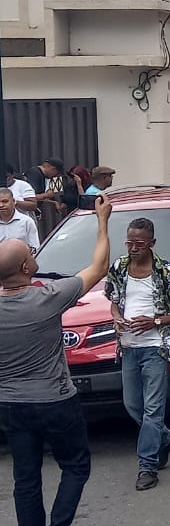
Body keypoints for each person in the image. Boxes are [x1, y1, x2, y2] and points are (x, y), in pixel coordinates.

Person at [0, 194, 110, 526]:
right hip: (55, 400)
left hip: (9, 403)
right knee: (76, 465)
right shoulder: (47, 298)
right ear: (24, 268)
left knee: (26, 476)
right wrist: (102, 221)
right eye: (31, 255)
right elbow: (99, 268)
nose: (35, 257)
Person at [103, 217, 170, 491]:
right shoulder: (119, 268)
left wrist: (155, 321)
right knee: (133, 405)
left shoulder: (167, 272)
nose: (133, 248)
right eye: (129, 242)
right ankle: (165, 437)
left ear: (152, 244)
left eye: (139, 244)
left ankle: (147, 466)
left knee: (153, 409)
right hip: (129, 347)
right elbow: (113, 302)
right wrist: (117, 318)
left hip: (155, 347)